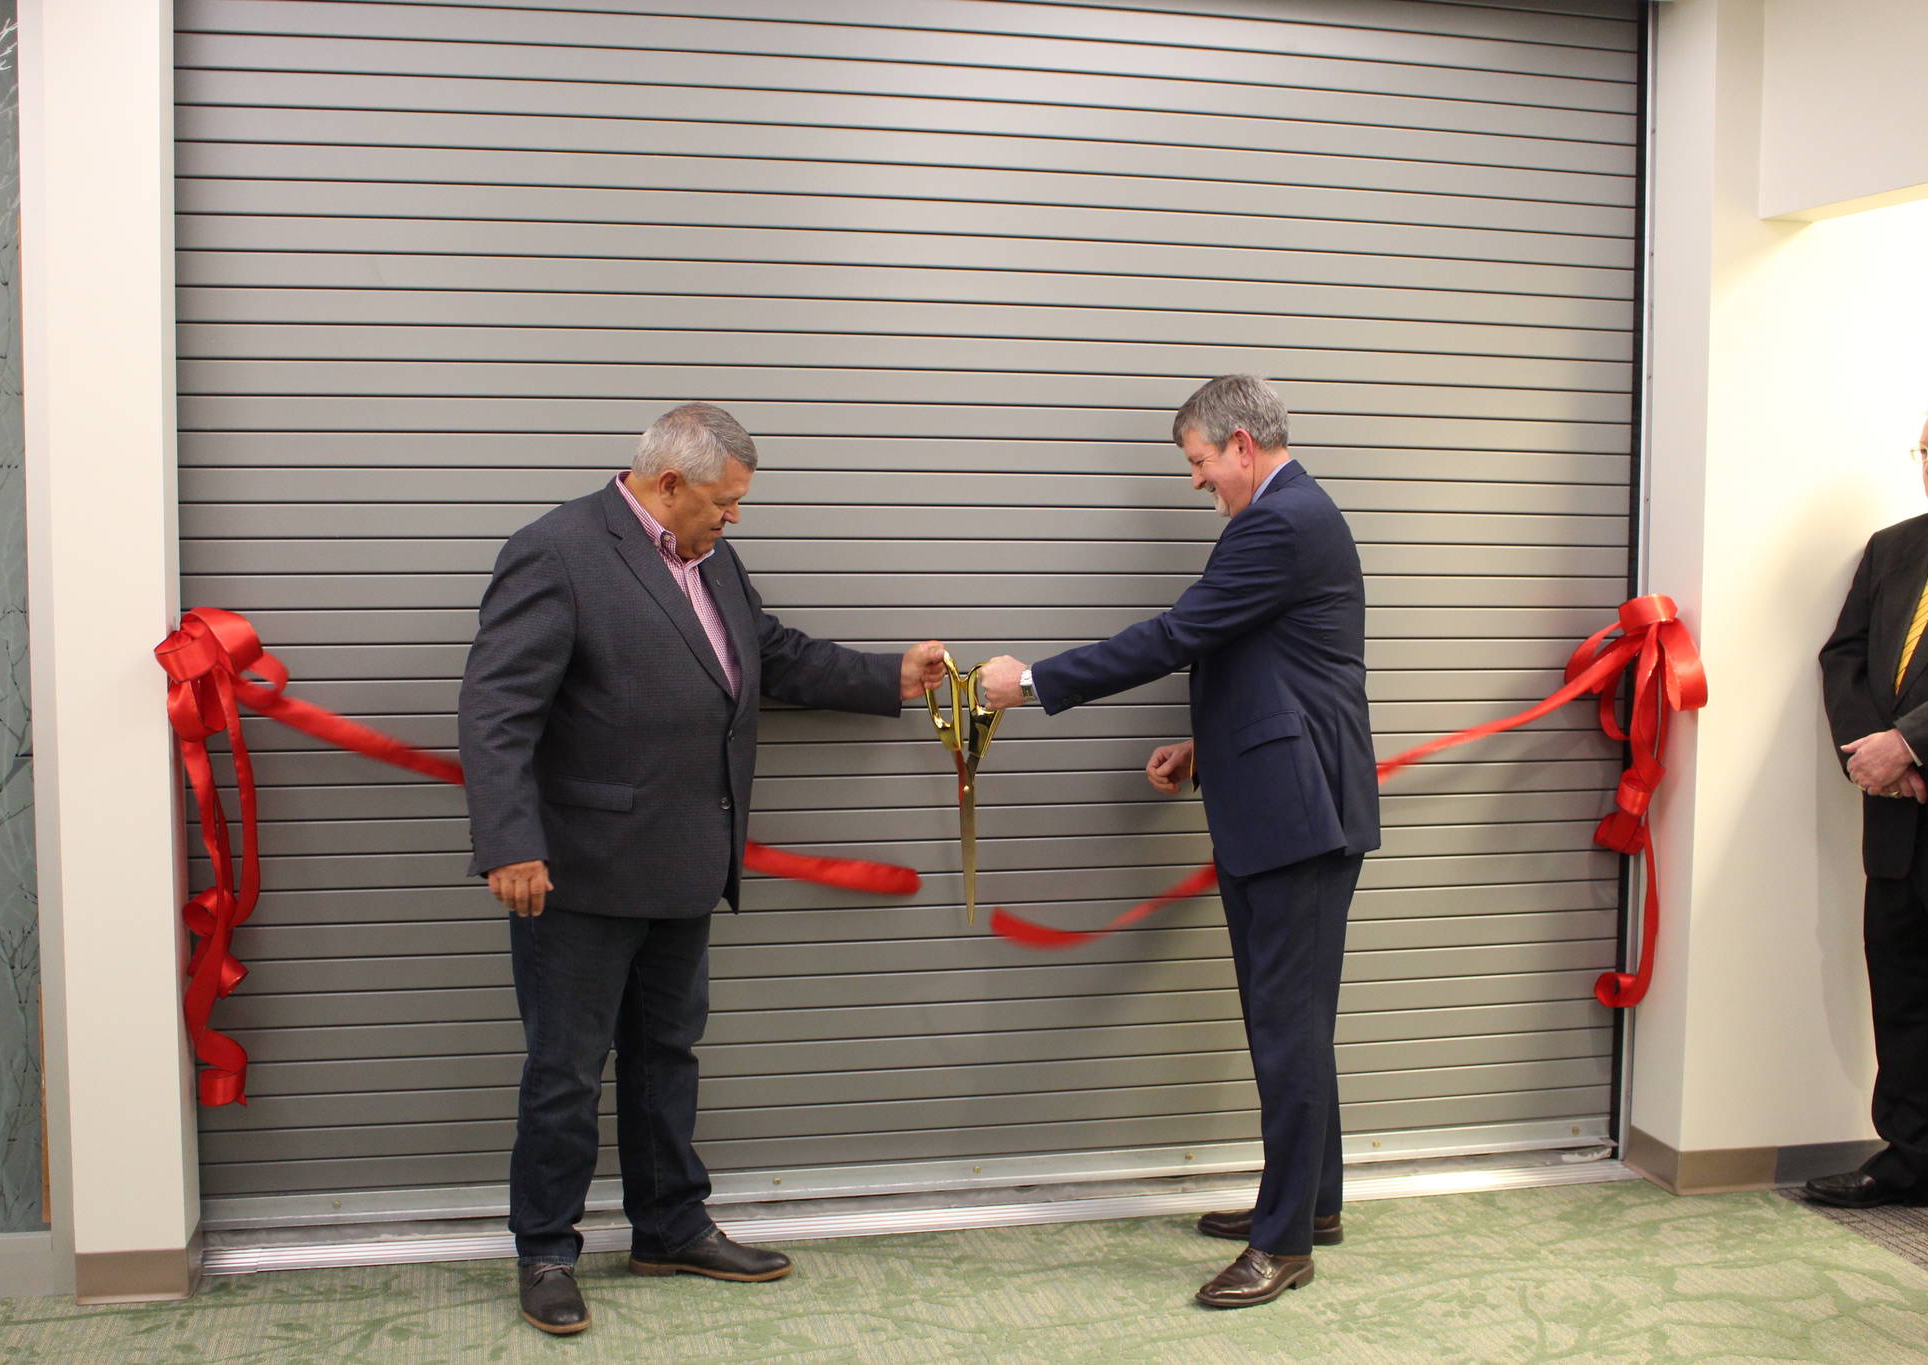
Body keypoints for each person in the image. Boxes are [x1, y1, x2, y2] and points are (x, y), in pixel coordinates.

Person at [458, 402, 946, 1335]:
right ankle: (547, 1249)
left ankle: (671, 1225)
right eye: (723, 503)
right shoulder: (555, 552)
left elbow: (768, 654)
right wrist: (510, 841)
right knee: (565, 1068)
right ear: (669, 482)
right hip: (578, 870)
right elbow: (495, 709)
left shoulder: (710, 556)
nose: (733, 520)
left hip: (685, 860)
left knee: (666, 1057)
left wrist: (890, 676)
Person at [976, 374, 1379, 1308]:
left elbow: (1179, 634)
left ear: (1242, 443)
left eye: (1199, 462)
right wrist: (1208, 749)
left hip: (1299, 820)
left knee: (1287, 1029)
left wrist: (1030, 683)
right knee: (1294, 1023)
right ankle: (1311, 1202)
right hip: (1283, 802)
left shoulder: (1282, 520)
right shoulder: (1283, 518)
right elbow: (1283, 664)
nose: (1197, 481)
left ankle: (1284, 1243)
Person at [1816, 394, 1928, 1266]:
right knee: (1908, 1000)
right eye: (1924, 452)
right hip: (1898, 822)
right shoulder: (1896, 548)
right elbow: (1843, 655)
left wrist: (1911, 742)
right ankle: (1908, 1160)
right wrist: (1870, 751)